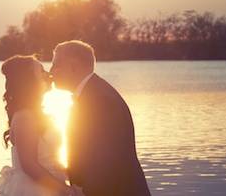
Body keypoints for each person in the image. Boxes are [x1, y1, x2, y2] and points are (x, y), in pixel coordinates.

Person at [50, 40, 151, 196]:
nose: (51, 71)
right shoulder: (93, 93)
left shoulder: (99, 100)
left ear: (73, 67)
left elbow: (104, 161)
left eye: (56, 65)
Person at [0, 55, 74, 196]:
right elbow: (29, 165)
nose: (48, 75)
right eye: (42, 72)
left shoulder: (35, 114)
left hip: (47, 186)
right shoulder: (25, 117)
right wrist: (65, 191)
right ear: (28, 80)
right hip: (34, 189)